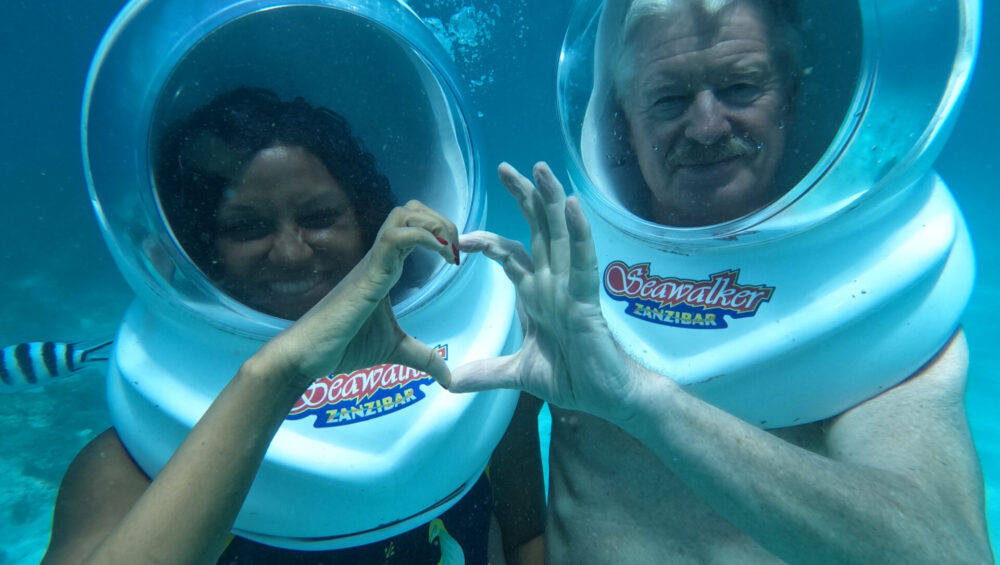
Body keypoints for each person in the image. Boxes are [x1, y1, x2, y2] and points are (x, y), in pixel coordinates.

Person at [448, 1, 995, 563]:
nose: (707, 126)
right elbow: (510, 455)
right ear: (621, 120)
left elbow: (949, 552)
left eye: (740, 87)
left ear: (792, 96)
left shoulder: (878, 286)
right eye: (669, 99)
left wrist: (643, 403)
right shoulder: (566, 270)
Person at [43, 88, 544, 565]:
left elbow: (527, 537)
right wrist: (278, 373)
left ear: (368, 219)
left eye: (320, 216)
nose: (291, 253)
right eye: (248, 226)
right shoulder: (136, 456)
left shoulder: (477, 378)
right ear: (200, 247)